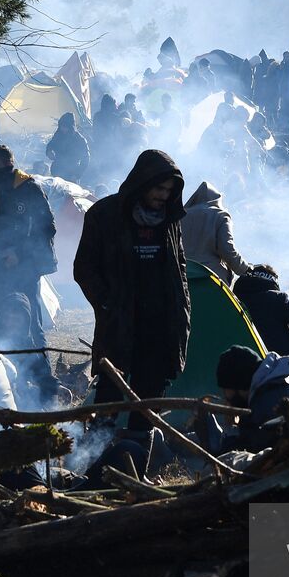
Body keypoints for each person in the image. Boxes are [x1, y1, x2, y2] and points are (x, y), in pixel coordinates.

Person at [74, 149, 190, 402]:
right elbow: (84, 267)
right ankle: (101, 429)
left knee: (150, 398)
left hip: (159, 323)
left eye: (168, 190)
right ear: (143, 182)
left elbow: (179, 264)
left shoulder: (169, 218)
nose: (164, 196)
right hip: (120, 321)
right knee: (110, 391)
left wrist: (182, 303)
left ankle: (142, 429)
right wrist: (107, 302)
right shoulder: (104, 215)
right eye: (159, 188)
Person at [0, 145, 57, 350]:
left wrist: (18, 254)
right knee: (4, 322)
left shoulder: (29, 189)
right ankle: (13, 366)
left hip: (26, 265)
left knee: (30, 322)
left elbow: (47, 227)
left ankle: (41, 367)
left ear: (9, 164)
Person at [201, 345, 289, 453]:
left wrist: (231, 428)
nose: (225, 397)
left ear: (240, 385)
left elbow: (240, 452)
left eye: (226, 390)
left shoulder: (263, 406)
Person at [0, 291, 66, 407]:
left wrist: (57, 387)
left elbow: (39, 372)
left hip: (12, 388)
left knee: (43, 395)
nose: (11, 322)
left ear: (25, 321)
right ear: (2, 315)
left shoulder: (25, 340)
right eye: (9, 316)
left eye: (17, 319)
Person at [233, 265, 289, 370]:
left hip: (243, 366)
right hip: (279, 367)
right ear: (272, 281)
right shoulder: (275, 299)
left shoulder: (232, 300)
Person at [180, 182, 249, 284]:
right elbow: (227, 249)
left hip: (181, 275)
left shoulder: (180, 217)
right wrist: (245, 269)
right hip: (210, 278)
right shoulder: (221, 216)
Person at [45, 113, 90, 184]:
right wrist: (49, 152)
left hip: (72, 174)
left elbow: (86, 159)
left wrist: (77, 175)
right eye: (61, 126)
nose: (62, 128)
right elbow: (50, 145)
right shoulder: (58, 135)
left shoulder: (80, 140)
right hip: (57, 171)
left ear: (70, 127)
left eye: (65, 126)